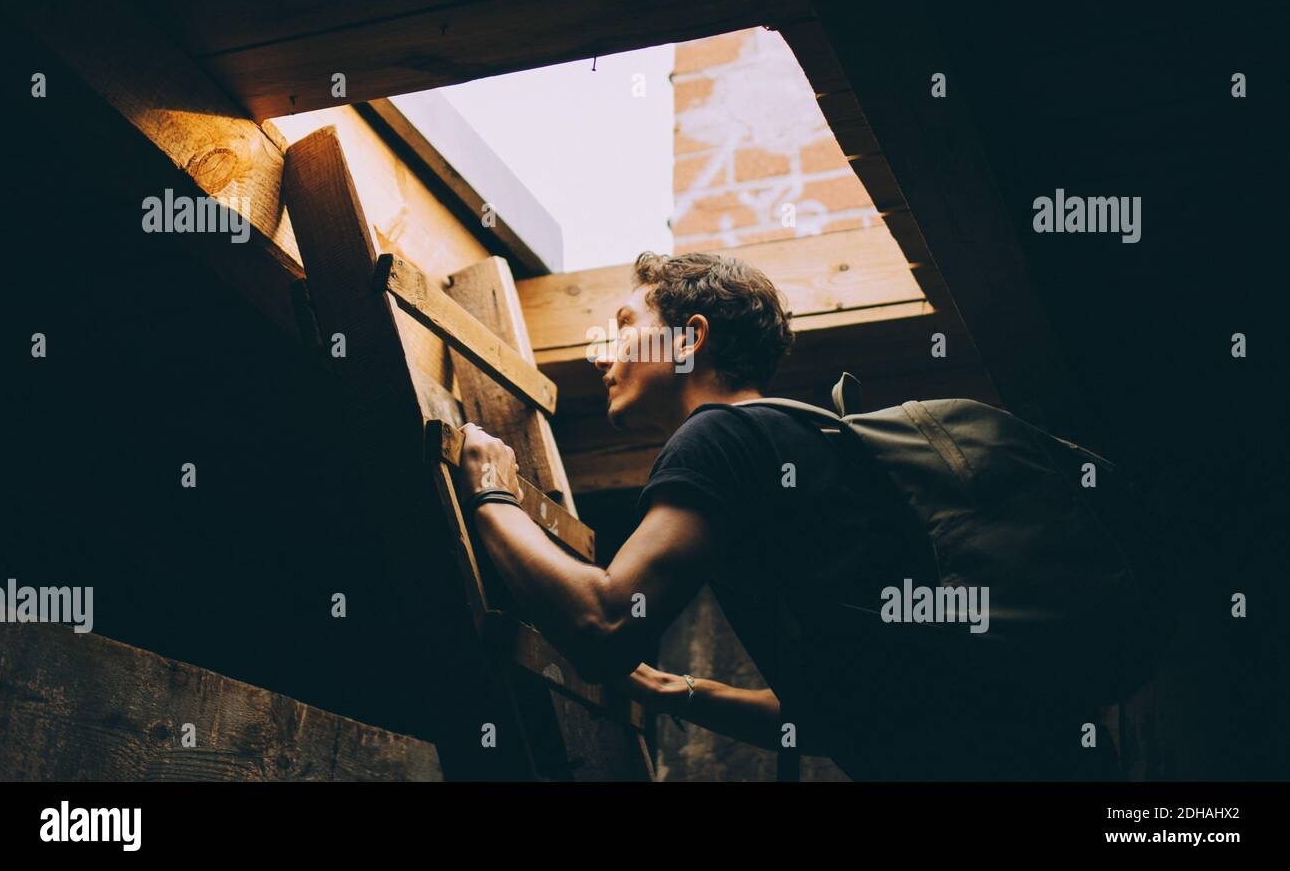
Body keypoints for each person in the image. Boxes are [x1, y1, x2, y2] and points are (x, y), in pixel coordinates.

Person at [455, 250, 1118, 780]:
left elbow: (603, 625)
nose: (601, 354)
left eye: (626, 326)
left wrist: (493, 495)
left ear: (690, 339)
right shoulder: (802, 444)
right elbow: (833, 713)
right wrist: (673, 690)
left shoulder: (721, 436)